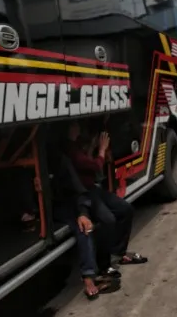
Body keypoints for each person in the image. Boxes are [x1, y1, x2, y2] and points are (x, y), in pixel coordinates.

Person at [65, 121, 148, 273]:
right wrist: (102, 150)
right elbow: (94, 166)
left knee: (126, 209)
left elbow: (89, 160)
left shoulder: (78, 144)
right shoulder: (69, 148)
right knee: (108, 220)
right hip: (84, 192)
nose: (78, 127)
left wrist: (93, 146)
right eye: (75, 125)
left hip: (93, 189)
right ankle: (104, 265)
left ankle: (120, 251)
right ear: (70, 129)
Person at [47, 134, 121, 300]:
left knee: (85, 228)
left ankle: (89, 277)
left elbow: (78, 189)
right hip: (43, 208)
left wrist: (82, 213)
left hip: (65, 204)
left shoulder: (63, 161)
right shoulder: (24, 165)